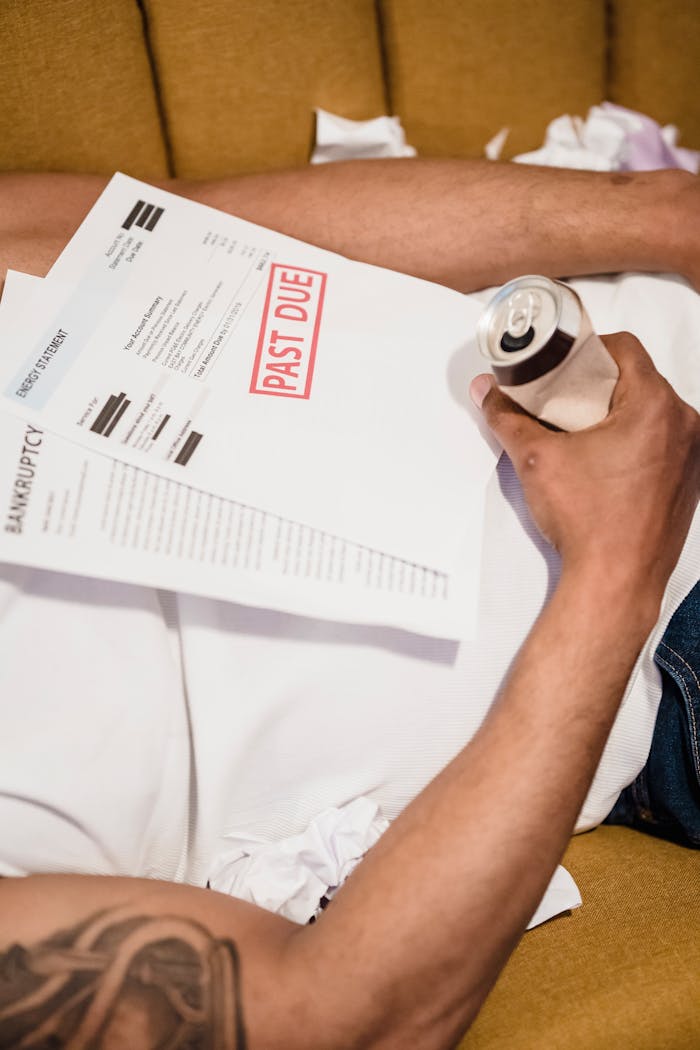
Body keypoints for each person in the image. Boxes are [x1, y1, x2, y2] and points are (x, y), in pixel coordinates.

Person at [0, 159, 698, 1050]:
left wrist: (672, 212)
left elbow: (192, 231)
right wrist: (620, 563)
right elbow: (340, 1016)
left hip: (657, 325)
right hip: (664, 644)